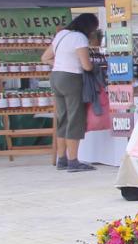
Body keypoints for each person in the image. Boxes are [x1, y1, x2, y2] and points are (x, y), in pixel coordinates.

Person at [41, 12, 100, 172]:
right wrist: (97, 67)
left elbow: (45, 57)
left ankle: (62, 159)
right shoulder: (79, 38)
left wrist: (60, 63)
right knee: (75, 118)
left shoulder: (61, 34)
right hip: (72, 78)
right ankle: (74, 161)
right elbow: (86, 65)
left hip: (56, 77)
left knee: (63, 118)